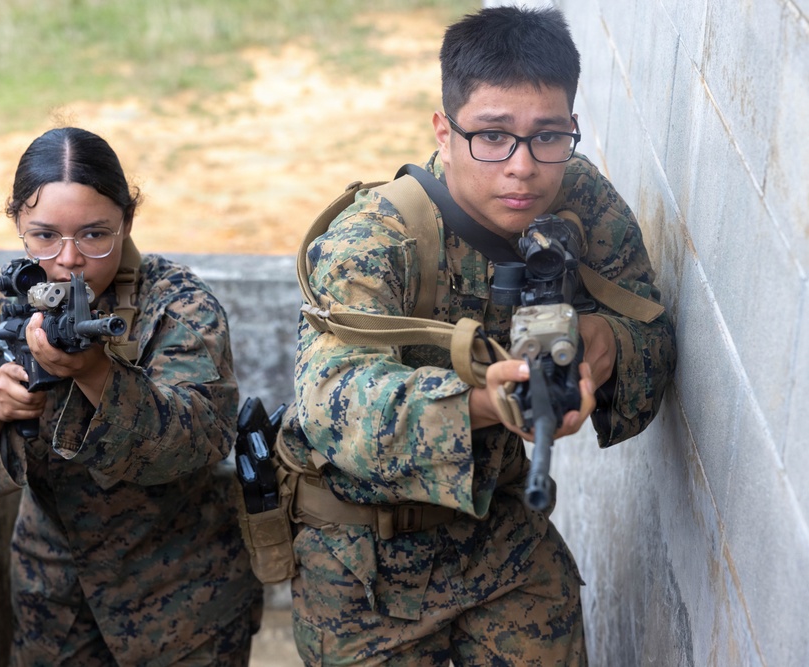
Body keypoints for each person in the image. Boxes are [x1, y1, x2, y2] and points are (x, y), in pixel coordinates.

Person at [279, 6, 676, 665]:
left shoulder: (579, 196)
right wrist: (486, 402)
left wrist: (608, 345)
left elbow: (655, 334)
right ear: (445, 129)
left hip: (503, 536)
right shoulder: (375, 238)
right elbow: (332, 401)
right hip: (362, 566)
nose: (522, 167)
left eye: (548, 135)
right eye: (492, 136)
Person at [0, 127, 262, 665]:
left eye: (96, 235)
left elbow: (204, 437)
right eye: (45, 236)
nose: (70, 259)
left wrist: (98, 375)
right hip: (55, 590)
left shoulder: (175, 305)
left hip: (184, 587)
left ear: (127, 222)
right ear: (17, 226)